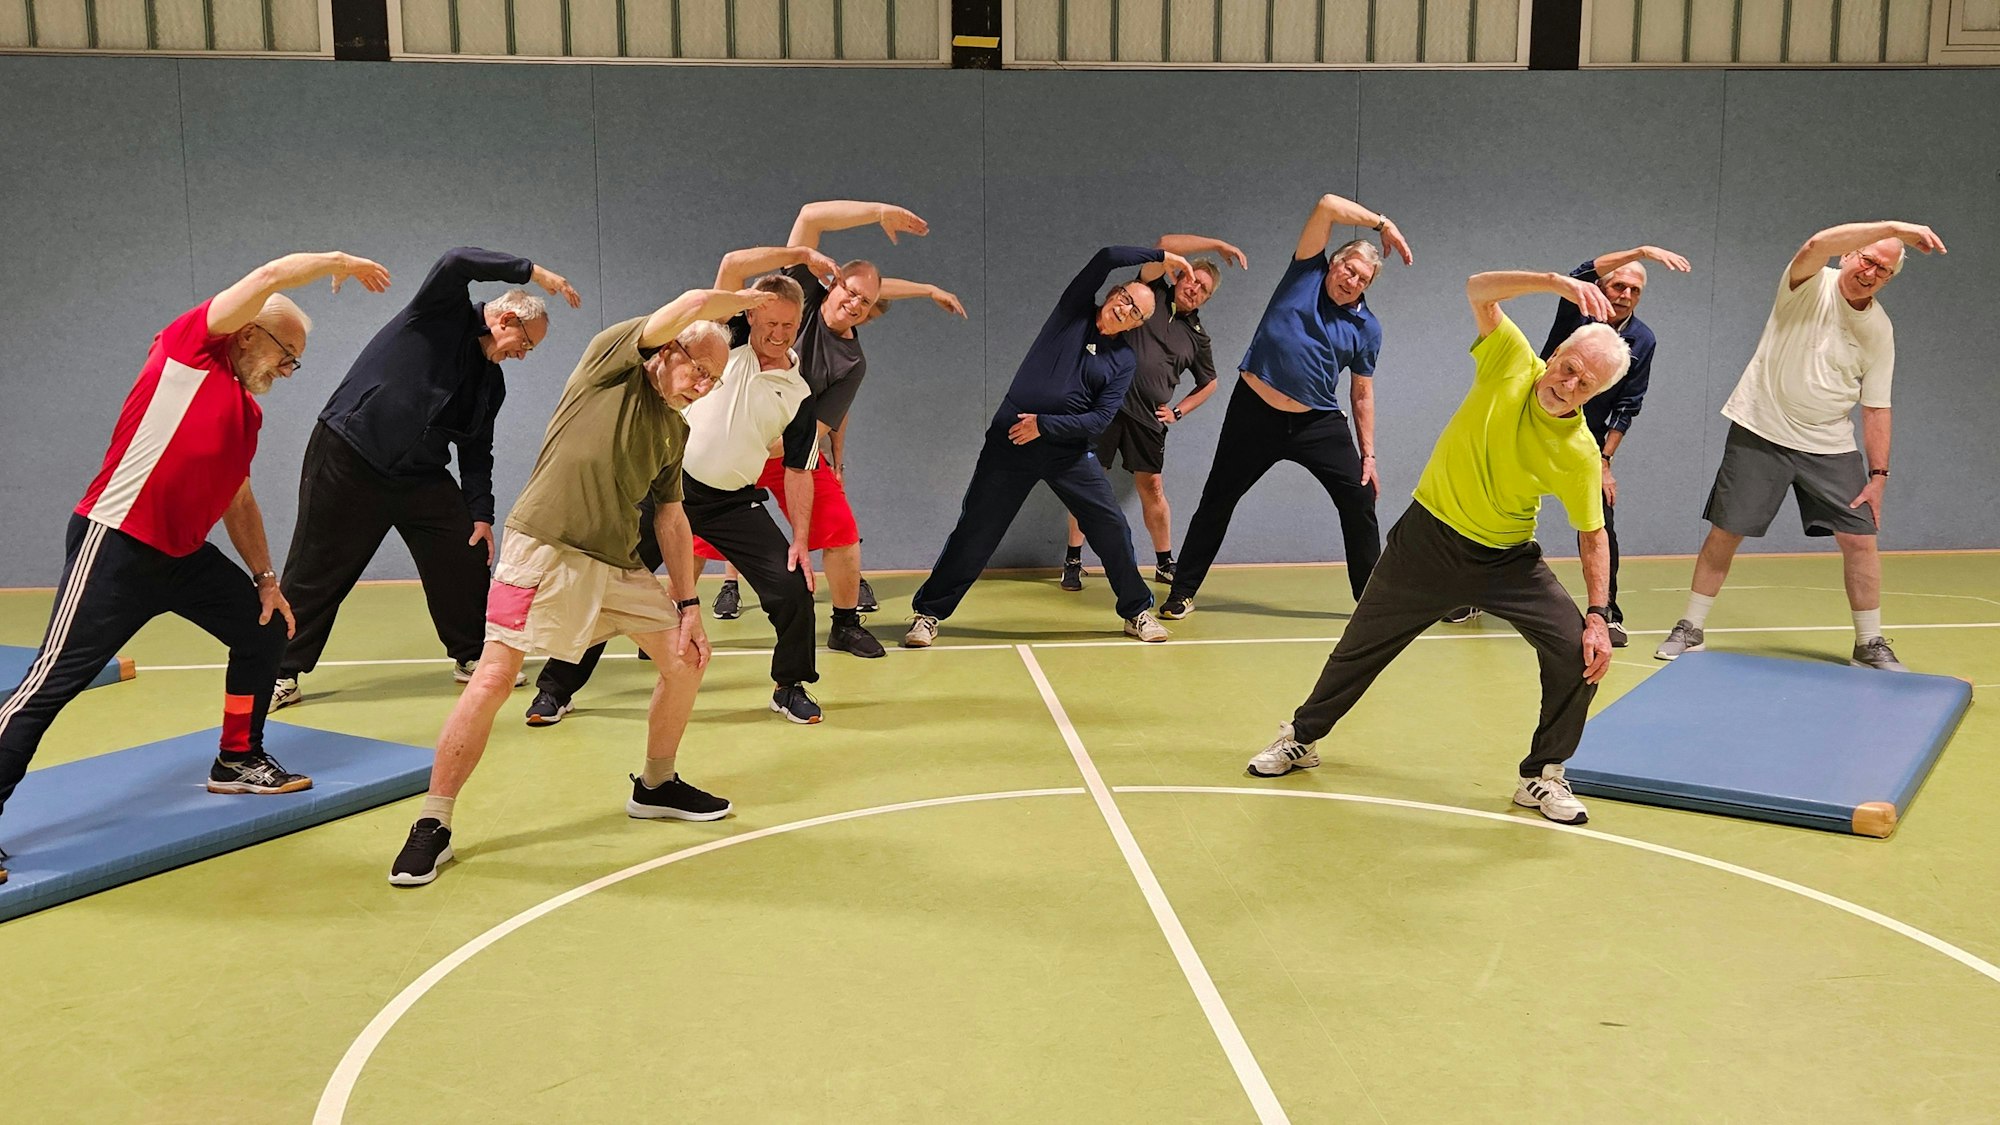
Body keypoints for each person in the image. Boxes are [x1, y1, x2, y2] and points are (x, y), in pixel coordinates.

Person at [0, 250, 392, 885]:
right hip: (118, 544)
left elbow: (238, 496)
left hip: (182, 557)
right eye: (286, 354)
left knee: (264, 629)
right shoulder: (185, 353)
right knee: (52, 682)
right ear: (246, 332)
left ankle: (236, 760)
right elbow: (267, 278)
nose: (290, 370)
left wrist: (267, 580)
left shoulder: (246, 410)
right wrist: (334, 262)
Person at [388, 283, 773, 887]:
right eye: (700, 370)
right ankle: (433, 823)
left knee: (686, 658)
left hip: (618, 565)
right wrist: (755, 289)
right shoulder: (610, 364)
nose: (703, 385)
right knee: (492, 678)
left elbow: (672, 517)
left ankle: (655, 784)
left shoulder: (675, 431)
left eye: (714, 381)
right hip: (543, 548)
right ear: (667, 351)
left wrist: (690, 603)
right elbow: (694, 300)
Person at [1243, 267, 1631, 827]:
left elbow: (1592, 534)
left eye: (1586, 385)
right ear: (1555, 356)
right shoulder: (1511, 363)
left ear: (1596, 394)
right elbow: (1477, 287)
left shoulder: (1579, 452)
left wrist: (1598, 615)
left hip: (1507, 560)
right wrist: (1556, 284)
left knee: (1578, 654)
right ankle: (1301, 739)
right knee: (1360, 646)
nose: (1568, 386)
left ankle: (1542, 775)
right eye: (1569, 368)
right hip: (1427, 539)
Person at [526, 250, 836, 727]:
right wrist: (795, 256)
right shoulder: (725, 342)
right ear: (751, 314)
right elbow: (732, 265)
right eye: (768, 321)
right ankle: (556, 688)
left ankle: (789, 686)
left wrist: (799, 539)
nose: (777, 334)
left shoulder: (800, 392)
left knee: (792, 587)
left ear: (800, 324)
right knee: (606, 585)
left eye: (788, 326)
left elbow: (798, 471)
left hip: (732, 504)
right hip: (666, 491)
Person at [271, 247, 581, 709]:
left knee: (463, 549)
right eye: (526, 345)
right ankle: (280, 672)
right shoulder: (440, 314)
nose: (522, 356)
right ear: (508, 319)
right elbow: (456, 261)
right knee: (316, 570)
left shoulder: (490, 383)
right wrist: (535, 271)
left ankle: (471, 655)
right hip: (349, 455)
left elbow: (477, 451)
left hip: (419, 477)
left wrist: (480, 514)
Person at [1655, 221, 1946, 671]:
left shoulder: (1879, 330)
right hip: (1761, 429)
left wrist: (1879, 477)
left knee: (1860, 540)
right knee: (1726, 531)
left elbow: (1877, 408)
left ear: (1889, 279)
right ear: (1848, 255)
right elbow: (1814, 244)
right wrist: (1895, 228)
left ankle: (1869, 643)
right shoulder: (1807, 283)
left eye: (1883, 269)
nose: (1870, 272)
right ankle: (1690, 627)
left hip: (1828, 444)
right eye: (1866, 258)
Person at [707, 200, 966, 661]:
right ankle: (678, 619)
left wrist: (776, 448)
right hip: (728, 442)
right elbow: (810, 217)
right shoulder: (799, 294)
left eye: (865, 303)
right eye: (849, 291)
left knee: (842, 532)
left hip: (788, 447)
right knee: (692, 534)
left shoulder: (852, 361)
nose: (854, 303)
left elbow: (819, 425)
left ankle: (845, 625)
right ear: (831, 284)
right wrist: (879, 212)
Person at [903, 245, 1192, 648]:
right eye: (1125, 299)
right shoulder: (1072, 312)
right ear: (1113, 294)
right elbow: (1106, 256)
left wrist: (1045, 426)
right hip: (1011, 442)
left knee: (1111, 527)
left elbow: (1099, 420)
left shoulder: (1123, 360)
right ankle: (928, 614)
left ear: (1139, 323)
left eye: (1136, 312)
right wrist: (1164, 254)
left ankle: (1136, 611)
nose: (1126, 310)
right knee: (977, 530)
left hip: (1068, 452)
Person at [1160, 194, 1414, 620]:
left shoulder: (1367, 328)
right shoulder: (1305, 273)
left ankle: (1370, 603)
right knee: (1217, 499)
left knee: (1360, 496)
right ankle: (1182, 592)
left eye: (1363, 280)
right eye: (1349, 269)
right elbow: (1328, 205)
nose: (1352, 281)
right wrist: (1382, 223)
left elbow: (1362, 393)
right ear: (1334, 263)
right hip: (1254, 412)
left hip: (1317, 422)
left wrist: (1368, 454)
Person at [1440, 245, 1689, 644]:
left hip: (1582, 437)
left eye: (1634, 290)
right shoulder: (1579, 310)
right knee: (1494, 506)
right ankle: (1473, 594)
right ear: (1602, 288)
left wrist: (1605, 460)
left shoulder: (1643, 339)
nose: (1624, 294)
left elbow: (1628, 406)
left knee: (1599, 523)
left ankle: (1607, 613)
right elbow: (1582, 271)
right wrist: (1641, 250)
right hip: (1531, 420)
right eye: (1618, 285)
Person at [1060, 235, 1243, 592]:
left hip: (1147, 421)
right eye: (1192, 279)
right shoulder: (1152, 293)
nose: (1195, 288)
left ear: (1206, 298)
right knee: (1087, 480)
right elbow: (1164, 243)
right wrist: (1217, 245)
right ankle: (1072, 560)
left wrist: (1177, 411)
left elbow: (1210, 383)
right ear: (1179, 276)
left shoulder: (1198, 338)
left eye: (1203, 289)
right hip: (1106, 406)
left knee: (1153, 488)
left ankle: (1164, 563)